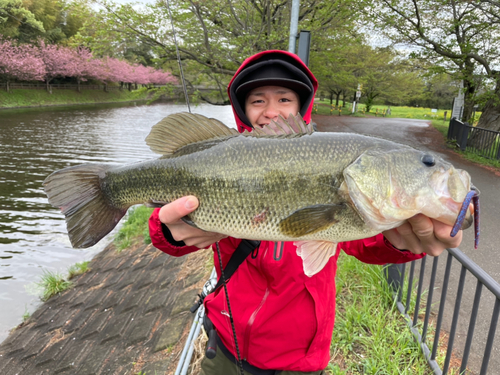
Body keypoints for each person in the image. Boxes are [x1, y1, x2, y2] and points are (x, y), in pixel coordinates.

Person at [148, 50, 464, 375]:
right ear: (241, 108)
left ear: (301, 107)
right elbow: (163, 229)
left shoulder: (346, 185)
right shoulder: (219, 155)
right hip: (226, 341)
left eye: (284, 99)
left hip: (299, 358)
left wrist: (400, 242)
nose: (271, 111)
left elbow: (362, 244)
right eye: (258, 101)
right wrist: (170, 230)